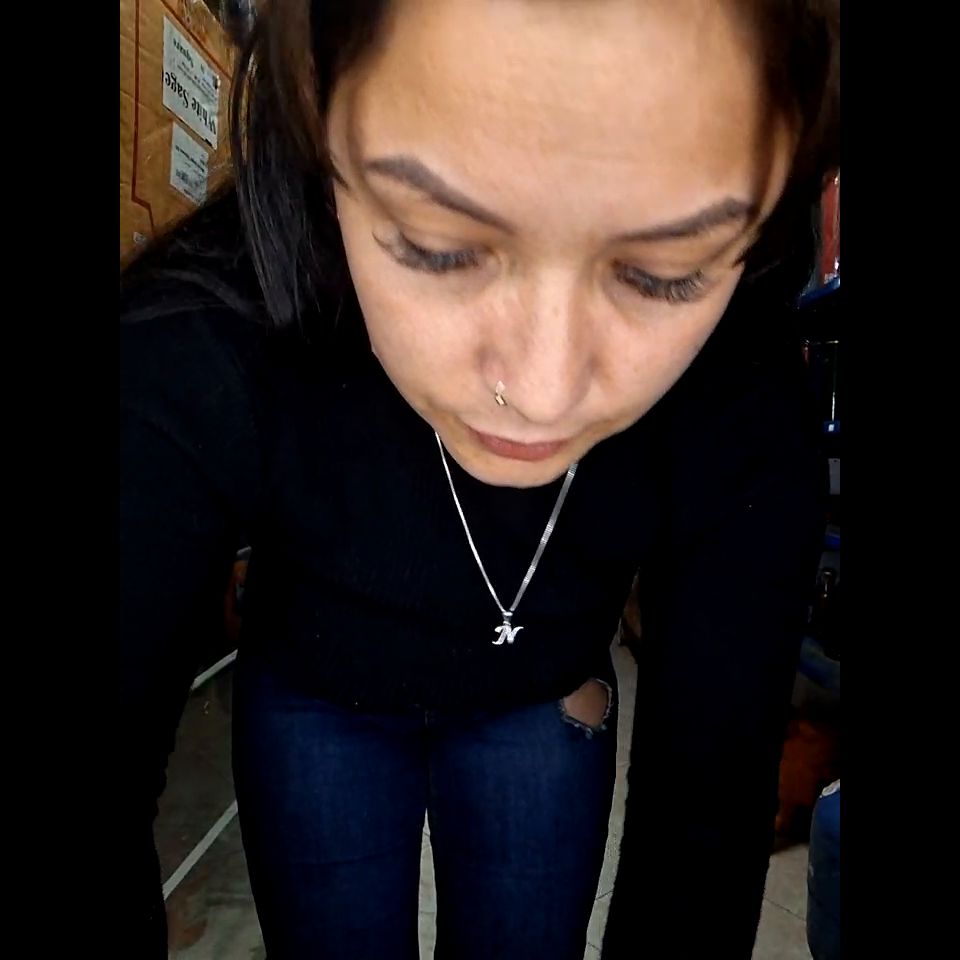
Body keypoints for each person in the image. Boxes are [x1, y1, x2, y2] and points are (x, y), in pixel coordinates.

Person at [119, 1, 839, 957]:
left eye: (665, 273)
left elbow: (704, 827)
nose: (540, 394)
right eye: (438, 245)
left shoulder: (742, 399)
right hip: (314, 692)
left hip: (541, 700)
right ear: (315, 103)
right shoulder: (198, 342)